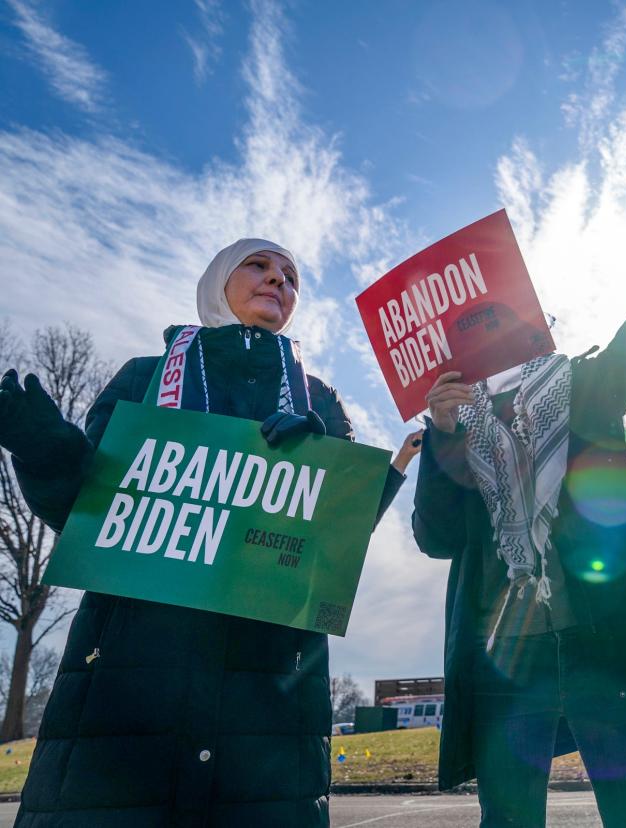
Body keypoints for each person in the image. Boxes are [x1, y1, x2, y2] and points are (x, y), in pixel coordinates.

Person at [0, 239, 420, 826]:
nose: (278, 281)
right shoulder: (145, 378)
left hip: (270, 698)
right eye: (259, 265)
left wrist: (323, 461)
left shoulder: (318, 399)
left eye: (291, 277)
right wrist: (46, 452)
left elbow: (336, 545)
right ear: (216, 283)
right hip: (126, 684)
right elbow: (85, 513)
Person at [411, 124, 626, 827]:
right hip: (506, 665)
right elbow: (436, 540)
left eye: (511, 323)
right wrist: (439, 438)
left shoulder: (585, 389)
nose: (498, 339)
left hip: (603, 651)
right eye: (477, 333)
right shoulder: (457, 434)